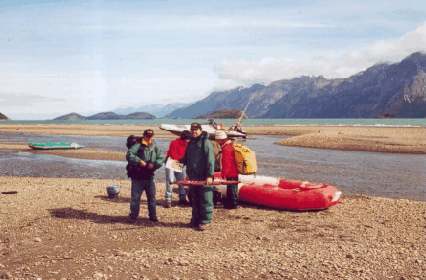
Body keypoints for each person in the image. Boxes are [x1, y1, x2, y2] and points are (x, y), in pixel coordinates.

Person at [181, 122, 215, 231]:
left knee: (206, 199)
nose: (194, 132)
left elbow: (210, 160)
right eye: (192, 130)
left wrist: (210, 175)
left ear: (200, 130)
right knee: (194, 199)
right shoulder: (191, 143)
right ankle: (195, 220)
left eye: (196, 130)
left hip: (204, 176)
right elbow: (186, 158)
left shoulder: (206, 142)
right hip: (193, 176)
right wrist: (178, 162)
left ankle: (204, 221)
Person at [126, 129, 164, 222]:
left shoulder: (154, 146)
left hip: (149, 177)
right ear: (144, 135)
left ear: (152, 136)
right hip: (137, 177)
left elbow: (160, 159)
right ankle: (133, 216)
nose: (148, 137)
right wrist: (139, 161)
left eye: (150, 135)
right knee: (135, 198)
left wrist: (154, 165)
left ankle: (153, 216)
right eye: (147, 135)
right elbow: (129, 155)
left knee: (152, 198)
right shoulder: (137, 145)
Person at [164, 130, 191, 208]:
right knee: (171, 181)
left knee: (180, 181)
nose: (188, 140)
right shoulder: (177, 143)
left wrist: (182, 161)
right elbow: (173, 154)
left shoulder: (183, 143)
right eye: (188, 138)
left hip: (177, 162)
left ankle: (181, 199)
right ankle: (168, 200)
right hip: (172, 162)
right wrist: (183, 161)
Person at [215, 130, 239, 209]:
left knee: (232, 188)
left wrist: (224, 173)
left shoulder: (226, 148)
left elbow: (226, 163)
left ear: (221, 139)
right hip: (234, 171)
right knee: (232, 188)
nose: (217, 142)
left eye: (217, 140)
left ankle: (233, 204)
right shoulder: (230, 146)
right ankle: (231, 203)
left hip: (231, 172)